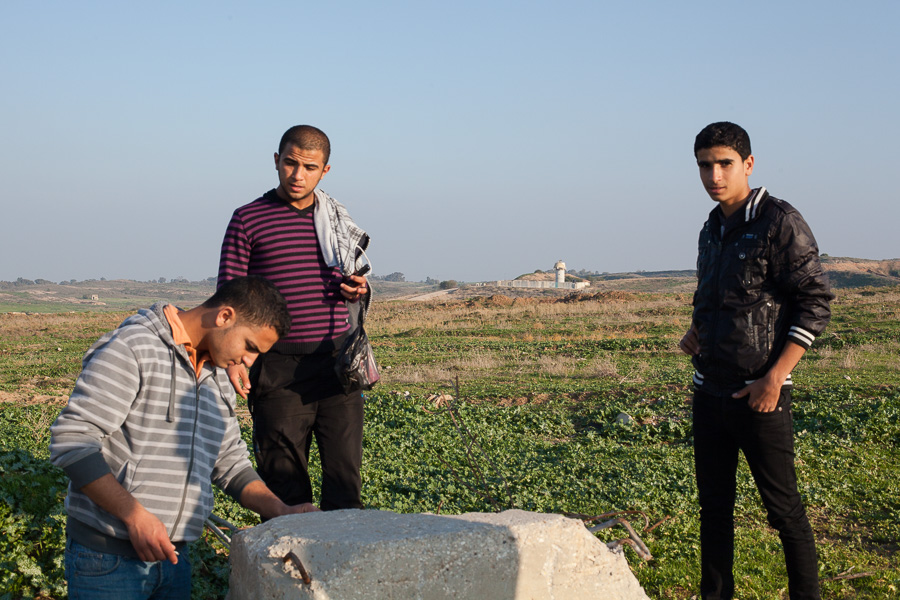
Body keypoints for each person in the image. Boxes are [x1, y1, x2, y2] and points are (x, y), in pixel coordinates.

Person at [50, 276, 318, 600]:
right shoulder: (135, 346)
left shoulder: (218, 374)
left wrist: (279, 509)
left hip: (175, 561)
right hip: (108, 560)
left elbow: (229, 463)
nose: (250, 362)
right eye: (250, 347)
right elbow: (73, 439)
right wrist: (134, 516)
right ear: (224, 317)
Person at [679, 122, 833, 600]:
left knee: (783, 510)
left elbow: (815, 302)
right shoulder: (712, 227)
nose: (714, 175)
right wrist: (697, 329)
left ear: (748, 164)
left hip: (760, 395)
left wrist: (776, 377)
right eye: (705, 165)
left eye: (724, 163)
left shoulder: (778, 221)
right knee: (714, 510)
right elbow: (716, 296)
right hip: (710, 393)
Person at [217, 125, 370, 511]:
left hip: (338, 365)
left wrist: (358, 289)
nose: (298, 175)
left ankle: (344, 571)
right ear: (276, 161)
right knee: (286, 490)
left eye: (310, 167)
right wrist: (236, 361)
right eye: (290, 163)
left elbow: (354, 277)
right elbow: (229, 301)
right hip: (277, 370)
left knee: (345, 487)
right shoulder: (248, 220)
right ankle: (289, 571)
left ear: (325, 171)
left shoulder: (336, 220)